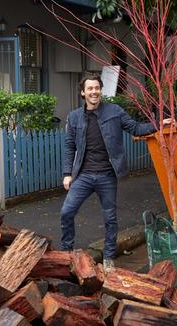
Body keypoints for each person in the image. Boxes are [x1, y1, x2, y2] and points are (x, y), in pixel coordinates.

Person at [61, 75, 169, 271]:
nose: (94, 91)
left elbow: (135, 128)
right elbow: (69, 146)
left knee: (110, 218)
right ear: (83, 93)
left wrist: (160, 124)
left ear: (101, 91)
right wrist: (67, 173)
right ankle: (66, 253)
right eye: (90, 88)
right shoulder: (74, 117)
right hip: (83, 175)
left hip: (106, 175)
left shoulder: (114, 112)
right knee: (67, 212)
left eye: (97, 88)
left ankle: (109, 257)